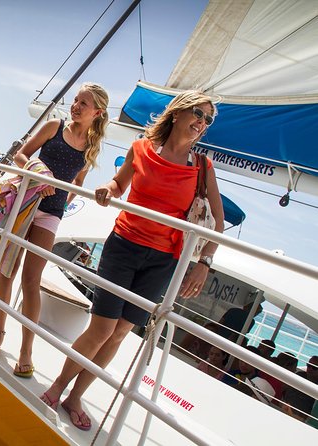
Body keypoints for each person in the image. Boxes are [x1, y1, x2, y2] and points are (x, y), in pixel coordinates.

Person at [41, 90, 225, 431]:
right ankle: (57, 386)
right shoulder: (140, 148)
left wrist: (205, 262)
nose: (202, 122)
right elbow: (119, 182)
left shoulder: (203, 167)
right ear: (177, 114)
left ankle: (75, 396)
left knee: (120, 333)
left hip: (164, 260)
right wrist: (108, 190)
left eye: (208, 119)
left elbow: (217, 219)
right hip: (124, 245)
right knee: (101, 328)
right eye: (198, 114)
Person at [0, 83, 110, 381]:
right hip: (24, 203)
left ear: (98, 112)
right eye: (76, 100)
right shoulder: (55, 125)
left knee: (31, 280)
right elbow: (21, 155)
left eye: (83, 103)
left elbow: (76, 185)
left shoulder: (91, 147)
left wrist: (61, 201)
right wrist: (43, 176)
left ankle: (26, 350)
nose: (76, 105)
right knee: (6, 270)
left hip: (51, 213)